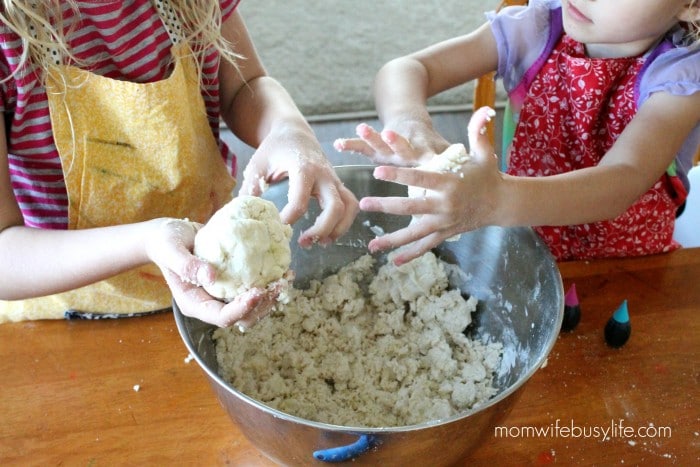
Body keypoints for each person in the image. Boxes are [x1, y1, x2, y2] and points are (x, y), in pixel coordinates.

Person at [0, 1, 358, 326]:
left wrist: (288, 128)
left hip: (217, 288)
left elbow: (244, 85)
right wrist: (147, 241)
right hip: (68, 309)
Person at [335, 0, 700, 265]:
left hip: (629, 266)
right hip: (524, 237)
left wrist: (497, 199)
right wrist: (408, 121)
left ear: (690, 5)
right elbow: (406, 68)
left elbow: (622, 181)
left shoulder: (680, 79)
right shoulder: (535, 29)